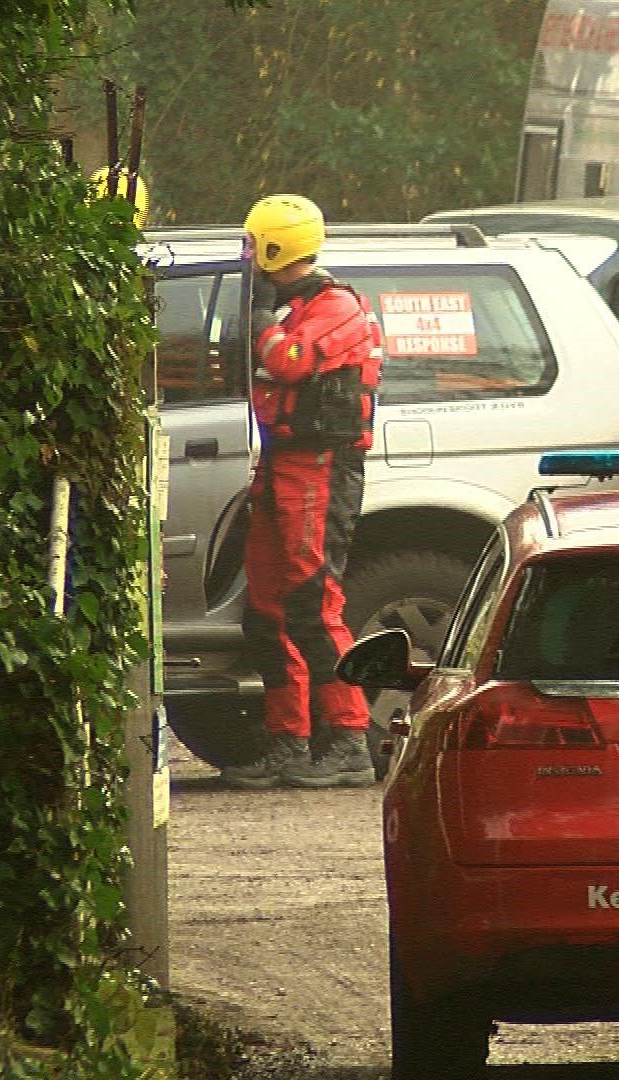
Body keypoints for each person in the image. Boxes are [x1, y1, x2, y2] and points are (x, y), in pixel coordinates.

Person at [220, 194, 384, 790]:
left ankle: (348, 740)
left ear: (271, 246)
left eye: (251, 245)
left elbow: (289, 362)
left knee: (314, 602)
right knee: (267, 608)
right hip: (280, 462)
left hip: (319, 466)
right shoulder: (286, 304)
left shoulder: (335, 307)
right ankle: (287, 741)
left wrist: (258, 319)